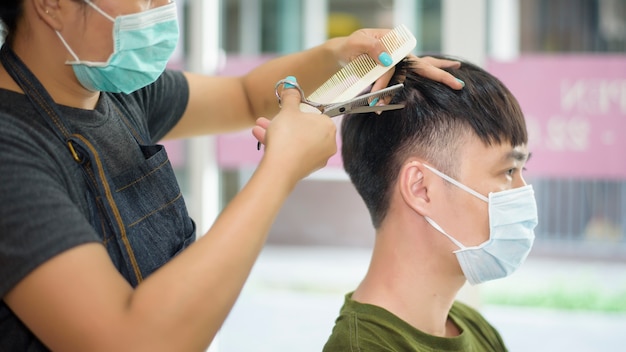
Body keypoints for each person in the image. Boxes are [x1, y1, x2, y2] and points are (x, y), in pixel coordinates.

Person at [0, 0, 466, 350]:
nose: (160, 11)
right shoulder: (11, 152)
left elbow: (244, 97)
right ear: (52, 5)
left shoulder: (114, 91)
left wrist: (340, 55)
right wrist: (279, 170)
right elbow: (132, 341)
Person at [323, 57, 538, 351]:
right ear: (421, 188)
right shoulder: (361, 348)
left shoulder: (475, 328)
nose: (523, 192)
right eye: (509, 171)